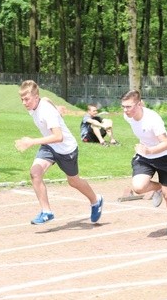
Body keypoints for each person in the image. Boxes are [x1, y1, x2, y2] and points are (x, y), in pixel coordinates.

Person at [15, 80, 103, 225]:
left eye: (27, 99)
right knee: (35, 173)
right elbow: (47, 99)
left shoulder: (46, 112)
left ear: (35, 97)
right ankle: (46, 212)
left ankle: (96, 200)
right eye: (22, 99)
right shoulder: (38, 103)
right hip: (49, 146)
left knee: (73, 181)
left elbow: (58, 137)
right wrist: (57, 108)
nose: (24, 103)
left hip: (66, 149)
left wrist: (31, 142)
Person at [121, 90, 167, 236]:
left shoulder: (153, 120)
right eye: (123, 106)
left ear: (139, 104)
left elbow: (165, 143)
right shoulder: (128, 116)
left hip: (166, 156)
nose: (125, 110)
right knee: (138, 187)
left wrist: (150, 151)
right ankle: (159, 187)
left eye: (129, 106)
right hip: (145, 155)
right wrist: (146, 152)